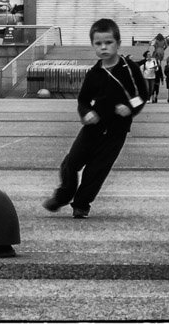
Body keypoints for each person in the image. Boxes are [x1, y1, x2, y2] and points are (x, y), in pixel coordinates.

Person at [42, 18, 147, 219]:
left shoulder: (129, 68)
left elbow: (142, 94)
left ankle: (81, 204)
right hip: (93, 128)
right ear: (93, 46)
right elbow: (82, 100)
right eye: (98, 44)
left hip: (116, 131)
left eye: (108, 43)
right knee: (71, 163)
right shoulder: (94, 73)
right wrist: (86, 113)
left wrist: (130, 109)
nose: (104, 47)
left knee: (97, 170)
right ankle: (63, 195)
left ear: (118, 43)